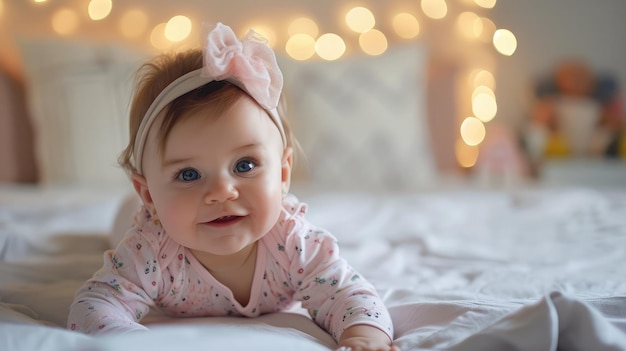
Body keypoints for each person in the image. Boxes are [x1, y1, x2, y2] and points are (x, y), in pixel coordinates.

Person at [67, 23, 398, 351]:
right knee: (121, 222)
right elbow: (94, 307)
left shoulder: (294, 244)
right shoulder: (149, 251)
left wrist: (363, 338)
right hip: (131, 219)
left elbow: (351, 296)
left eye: (245, 165)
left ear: (283, 175)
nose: (223, 192)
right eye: (188, 174)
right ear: (149, 194)